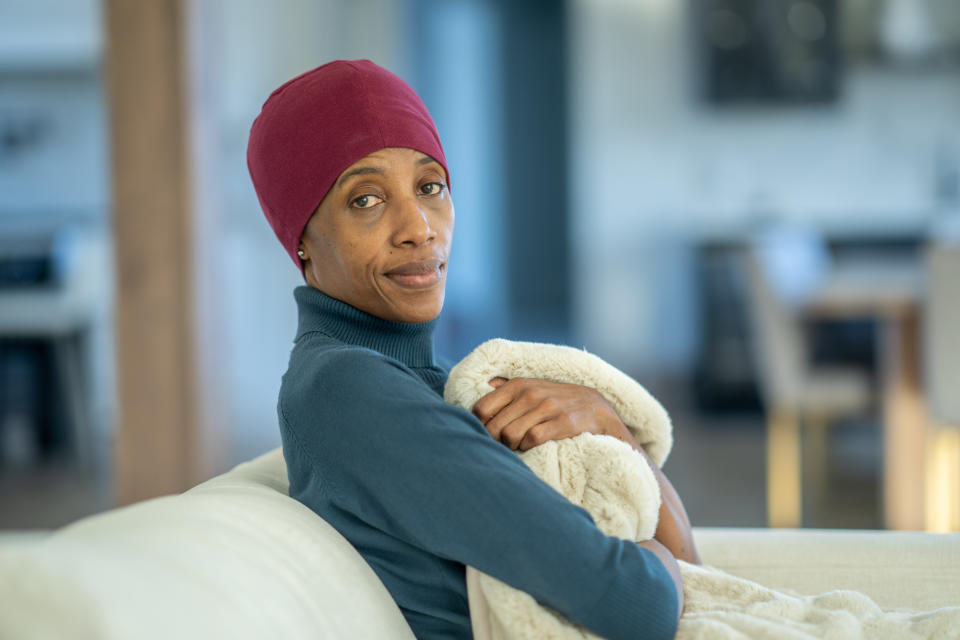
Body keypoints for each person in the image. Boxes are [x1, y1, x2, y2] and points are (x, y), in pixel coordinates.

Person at [247, 59, 698, 640]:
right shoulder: (346, 388)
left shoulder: (431, 382)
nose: (419, 227)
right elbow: (639, 603)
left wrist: (611, 425)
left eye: (430, 186)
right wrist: (657, 565)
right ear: (301, 238)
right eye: (366, 199)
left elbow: (684, 572)